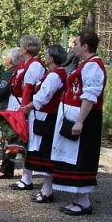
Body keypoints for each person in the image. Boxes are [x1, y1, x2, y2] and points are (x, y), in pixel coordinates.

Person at [50, 30, 106, 215]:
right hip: (74, 116)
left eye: (76, 44)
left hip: (85, 119)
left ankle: (84, 201)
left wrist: (80, 121)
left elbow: (90, 96)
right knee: (74, 158)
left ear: (85, 46)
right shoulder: (85, 64)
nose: (73, 47)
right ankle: (79, 199)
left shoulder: (93, 66)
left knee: (81, 158)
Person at [19, 44, 68, 202]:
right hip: (44, 116)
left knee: (46, 152)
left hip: (47, 117)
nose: (44, 57)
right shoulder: (54, 74)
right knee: (43, 151)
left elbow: (43, 96)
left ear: (52, 58)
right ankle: (46, 188)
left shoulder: (55, 75)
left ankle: (47, 190)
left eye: (47, 54)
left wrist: (27, 107)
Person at [9, 35, 46, 191]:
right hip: (16, 102)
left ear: (28, 48)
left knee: (27, 141)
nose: (20, 49)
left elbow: (28, 89)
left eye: (22, 46)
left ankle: (27, 178)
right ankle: (24, 176)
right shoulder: (23, 64)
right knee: (20, 141)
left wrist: (23, 109)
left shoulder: (35, 65)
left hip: (25, 107)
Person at [0, 47, 21, 179]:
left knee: (8, 139)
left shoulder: (11, 73)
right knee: (6, 140)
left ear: (10, 59)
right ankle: (6, 168)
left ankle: (6, 169)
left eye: (6, 57)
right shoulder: (12, 71)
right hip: (6, 108)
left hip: (6, 108)